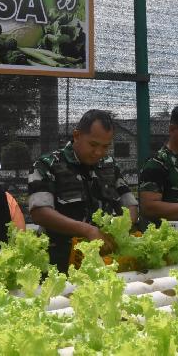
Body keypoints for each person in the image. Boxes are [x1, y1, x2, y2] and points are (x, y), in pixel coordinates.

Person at [28, 109, 138, 272]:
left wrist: (123, 228)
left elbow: (130, 204)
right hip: (58, 264)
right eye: (93, 144)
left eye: (105, 146)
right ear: (77, 135)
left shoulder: (109, 165)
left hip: (105, 261)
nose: (98, 152)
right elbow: (40, 212)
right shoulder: (48, 164)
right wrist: (87, 230)